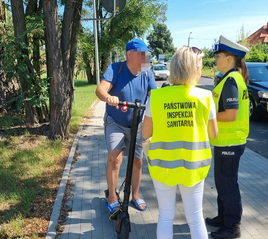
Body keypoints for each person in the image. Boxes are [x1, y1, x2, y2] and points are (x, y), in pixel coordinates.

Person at [142, 46, 218, 239]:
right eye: (199, 66)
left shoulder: (157, 97)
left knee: (166, 216)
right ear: (193, 69)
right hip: (194, 166)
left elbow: (145, 132)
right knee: (195, 217)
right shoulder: (205, 97)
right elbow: (214, 134)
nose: (201, 70)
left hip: (162, 166)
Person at [96, 39, 157, 214]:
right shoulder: (116, 69)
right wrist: (108, 97)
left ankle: (135, 195)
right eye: (142, 55)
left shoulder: (147, 73)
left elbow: (155, 95)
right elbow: (100, 90)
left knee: (137, 161)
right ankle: (112, 197)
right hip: (115, 121)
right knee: (115, 158)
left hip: (137, 123)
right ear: (130, 54)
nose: (146, 59)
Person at [205, 36, 250, 239]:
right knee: (222, 182)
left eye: (219, 56)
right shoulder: (230, 78)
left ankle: (232, 226)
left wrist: (208, 119)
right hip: (226, 141)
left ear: (229, 58)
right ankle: (223, 218)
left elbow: (231, 114)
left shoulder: (231, 80)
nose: (216, 59)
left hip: (230, 142)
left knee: (228, 184)